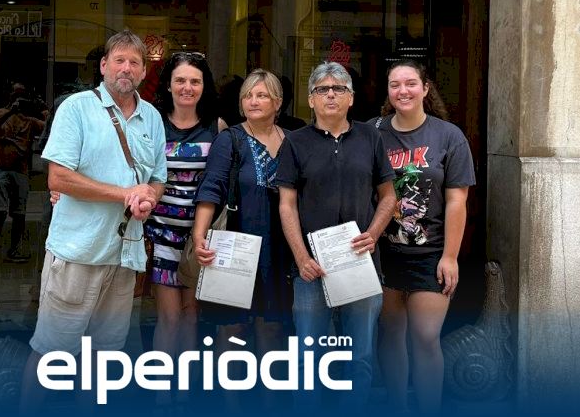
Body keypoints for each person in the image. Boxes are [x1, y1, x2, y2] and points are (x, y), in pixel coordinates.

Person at [19, 30, 167, 411]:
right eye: (119, 60)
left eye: (134, 62)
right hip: (78, 253)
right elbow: (58, 179)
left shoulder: (152, 117)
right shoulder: (77, 108)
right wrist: (125, 194)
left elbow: (157, 177)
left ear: (144, 71)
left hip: (123, 258)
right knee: (52, 353)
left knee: (104, 357)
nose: (126, 68)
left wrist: (149, 197)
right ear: (103, 66)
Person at [274, 61, 397, 408]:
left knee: (360, 356)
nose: (330, 94)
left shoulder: (371, 138)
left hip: (360, 262)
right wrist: (301, 258)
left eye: (339, 88)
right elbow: (286, 204)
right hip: (311, 268)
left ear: (351, 98)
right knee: (307, 358)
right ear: (310, 99)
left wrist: (373, 233)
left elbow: (388, 196)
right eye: (322, 89)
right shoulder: (295, 143)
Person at [373, 60, 475, 413]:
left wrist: (450, 256)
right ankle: (398, 406)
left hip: (430, 253)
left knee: (426, 337)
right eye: (395, 85)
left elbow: (457, 200)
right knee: (390, 333)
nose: (403, 91)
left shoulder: (448, 136)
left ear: (425, 88)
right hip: (383, 253)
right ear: (388, 91)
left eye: (411, 83)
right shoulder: (374, 133)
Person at [192, 69, 292, 355]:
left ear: (278, 102)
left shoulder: (292, 141)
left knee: (272, 328)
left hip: (280, 250)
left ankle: (268, 386)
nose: (253, 101)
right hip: (236, 244)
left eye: (261, 95)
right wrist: (199, 236)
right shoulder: (230, 139)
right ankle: (228, 386)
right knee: (233, 328)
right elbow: (211, 189)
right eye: (248, 95)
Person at [144, 51, 225, 361]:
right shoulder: (153, 123)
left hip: (199, 238)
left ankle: (185, 385)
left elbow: (222, 180)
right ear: (168, 84)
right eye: (180, 80)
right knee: (170, 317)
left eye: (195, 81)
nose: (187, 87)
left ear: (204, 86)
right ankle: (163, 388)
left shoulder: (216, 127)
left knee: (191, 314)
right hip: (161, 233)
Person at [0, 83, 46, 264]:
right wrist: (10, 111)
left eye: (21, 95)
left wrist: (42, 108)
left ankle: (14, 250)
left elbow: (50, 128)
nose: (18, 99)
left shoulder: (28, 120)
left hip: (21, 171)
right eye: (15, 94)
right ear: (8, 95)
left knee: (19, 214)